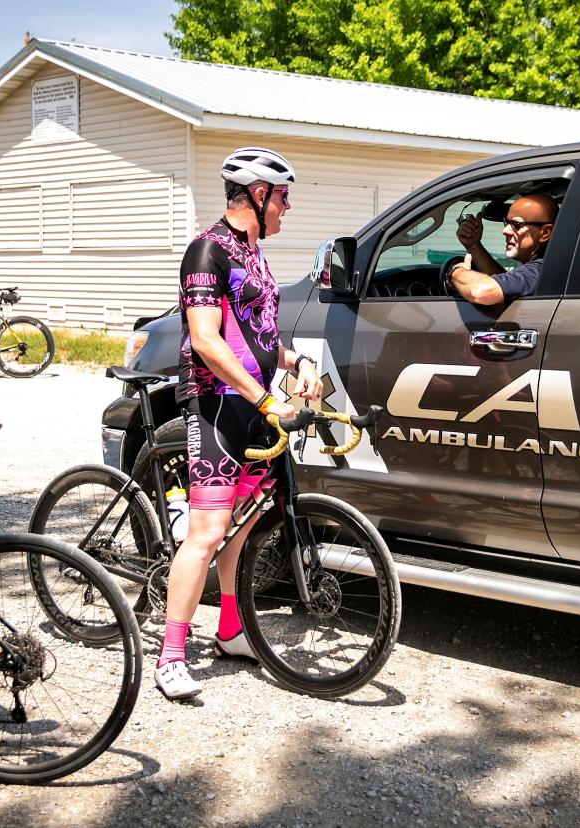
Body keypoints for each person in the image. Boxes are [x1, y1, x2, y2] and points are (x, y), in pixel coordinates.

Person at [155, 146, 323, 700]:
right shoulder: (207, 251)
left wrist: (297, 363)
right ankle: (171, 653)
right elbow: (205, 340)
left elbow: (257, 335)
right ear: (257, 194)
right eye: (283, 197)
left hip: (252, 404)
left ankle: (229, 632)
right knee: (206, 534)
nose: (288, 207)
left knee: (244, 526)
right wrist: (263, 396)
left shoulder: (253, 253)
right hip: (215, 405)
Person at [448, 193, 558, 306]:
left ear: (545, 233)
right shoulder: (546, 266)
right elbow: (507, 285)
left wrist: (455, 272)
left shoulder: (540, 271)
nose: (505, 230)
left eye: (517, 224)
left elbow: (482, 292)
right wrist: (474, 246)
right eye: (507, 222)